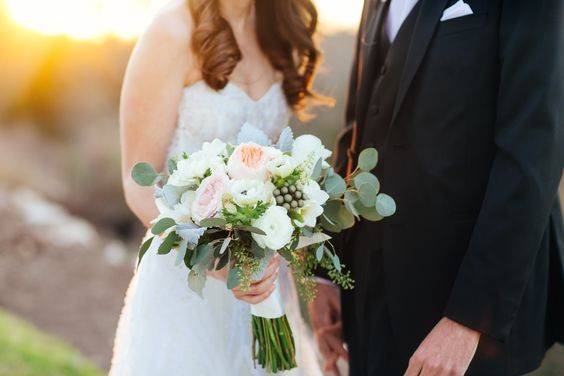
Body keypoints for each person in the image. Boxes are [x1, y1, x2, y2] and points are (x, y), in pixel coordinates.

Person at [309, 0, 564, 375]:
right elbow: (359, 131)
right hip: (367, 296)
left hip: (459, 312)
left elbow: (531, 161)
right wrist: (326, 272)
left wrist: (469, 320)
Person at [110, 0, 327, 374]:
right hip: (186, 281)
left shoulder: (281, 30)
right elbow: (136, 179)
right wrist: (213, 259)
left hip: (264, 284)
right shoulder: (171, 29)